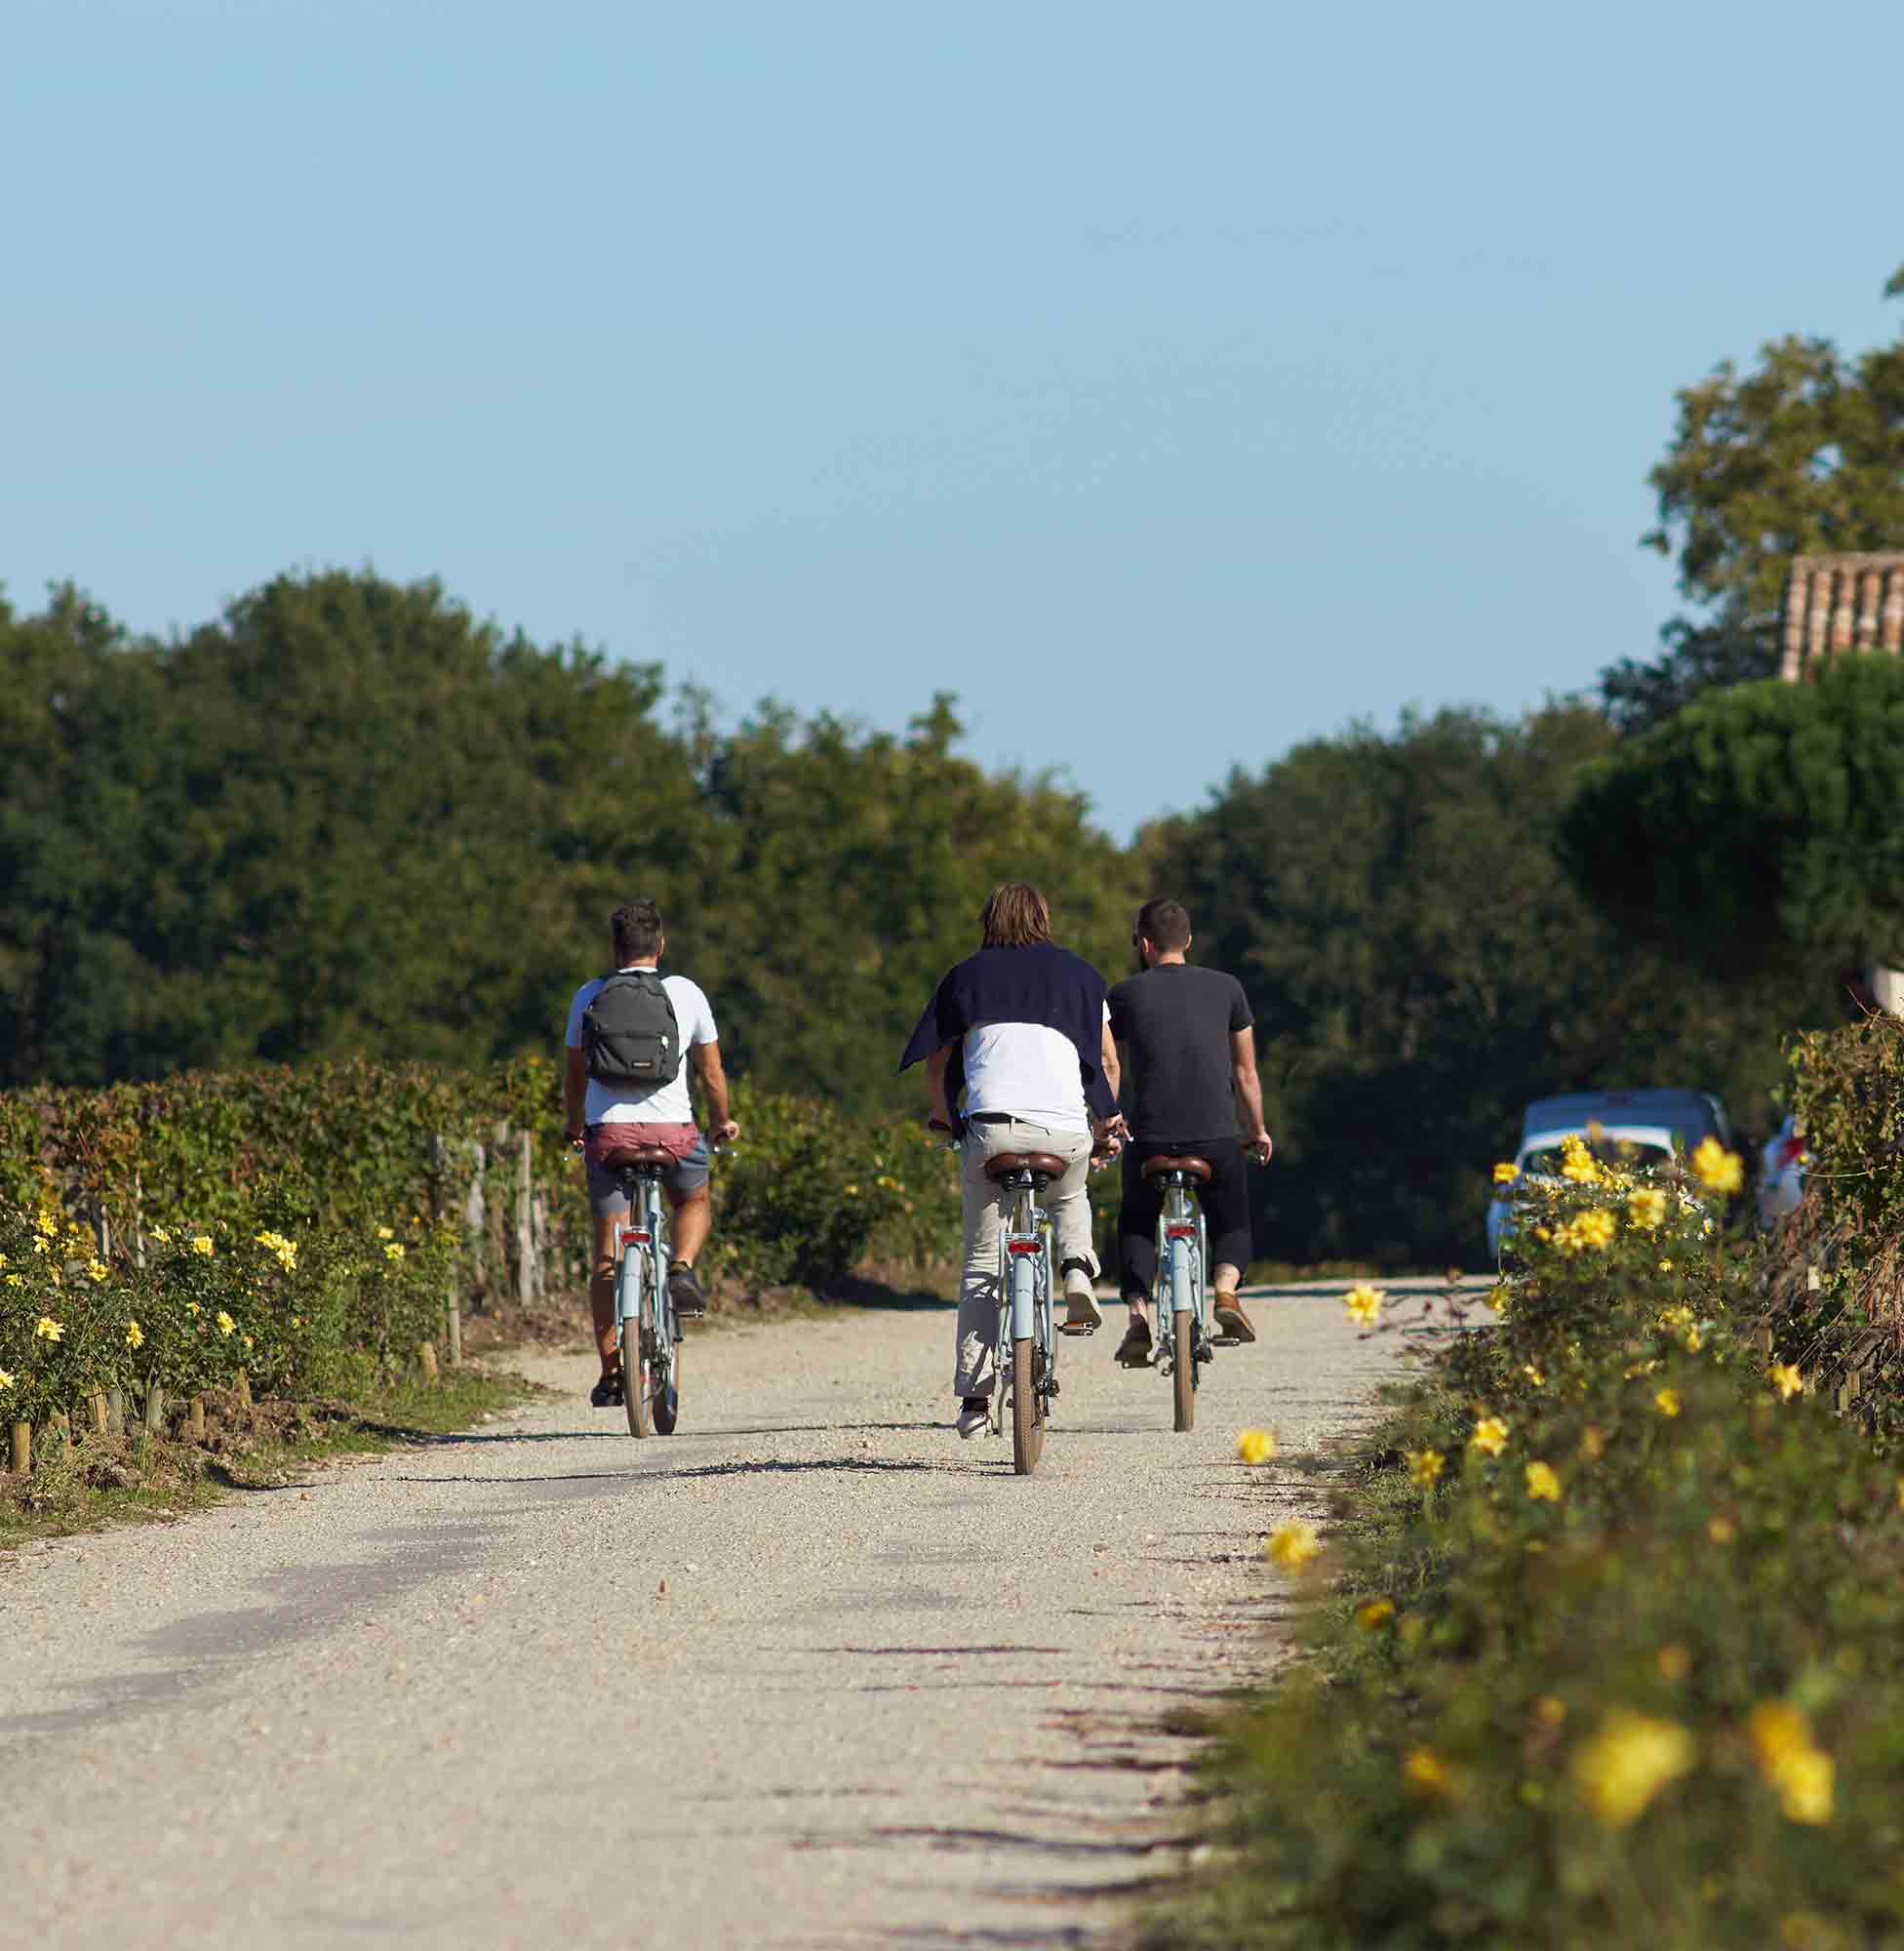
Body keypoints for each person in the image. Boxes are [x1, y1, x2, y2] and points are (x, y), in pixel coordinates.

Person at [899, 883, 1125, 1437]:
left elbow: (937, 1063)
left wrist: (942, 1115)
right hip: (1065, 1129)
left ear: (987, 920)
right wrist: (1102, 1128)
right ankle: (1076, 1269)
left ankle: (975, 1400)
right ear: (1044, 919)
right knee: (1070, 1194)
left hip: (991, 1132)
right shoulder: (1082, 975)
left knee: (981, 1261)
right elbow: (1109, 1063)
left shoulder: (965, 976)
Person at [563, 898, 741, 1407]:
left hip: (609, 1137)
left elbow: (575, 1076)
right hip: (673, 1135)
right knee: (694, 1200)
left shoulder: (588, 995)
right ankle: (681, 1266)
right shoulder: (685, 993)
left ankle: (611, 1372)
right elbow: (711, 1074)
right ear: (660, 946)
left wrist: (576, 1126)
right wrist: (721, 1121)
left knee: (606, 1255)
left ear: (615, 948)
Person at [1108, 896, 1273, 1365]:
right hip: (1215, 1137)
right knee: (1232, 1219)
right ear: (1189, 941)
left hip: (1150, 1139)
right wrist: (1257, 1129)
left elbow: (1108, 1061)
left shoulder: (1124, 994)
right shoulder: (1228, 989)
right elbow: (1247, 1074)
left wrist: (1108, 1124)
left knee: (1138, 1221)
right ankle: (1224, 1290)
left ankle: (1138, 1316)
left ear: (1144, 944)